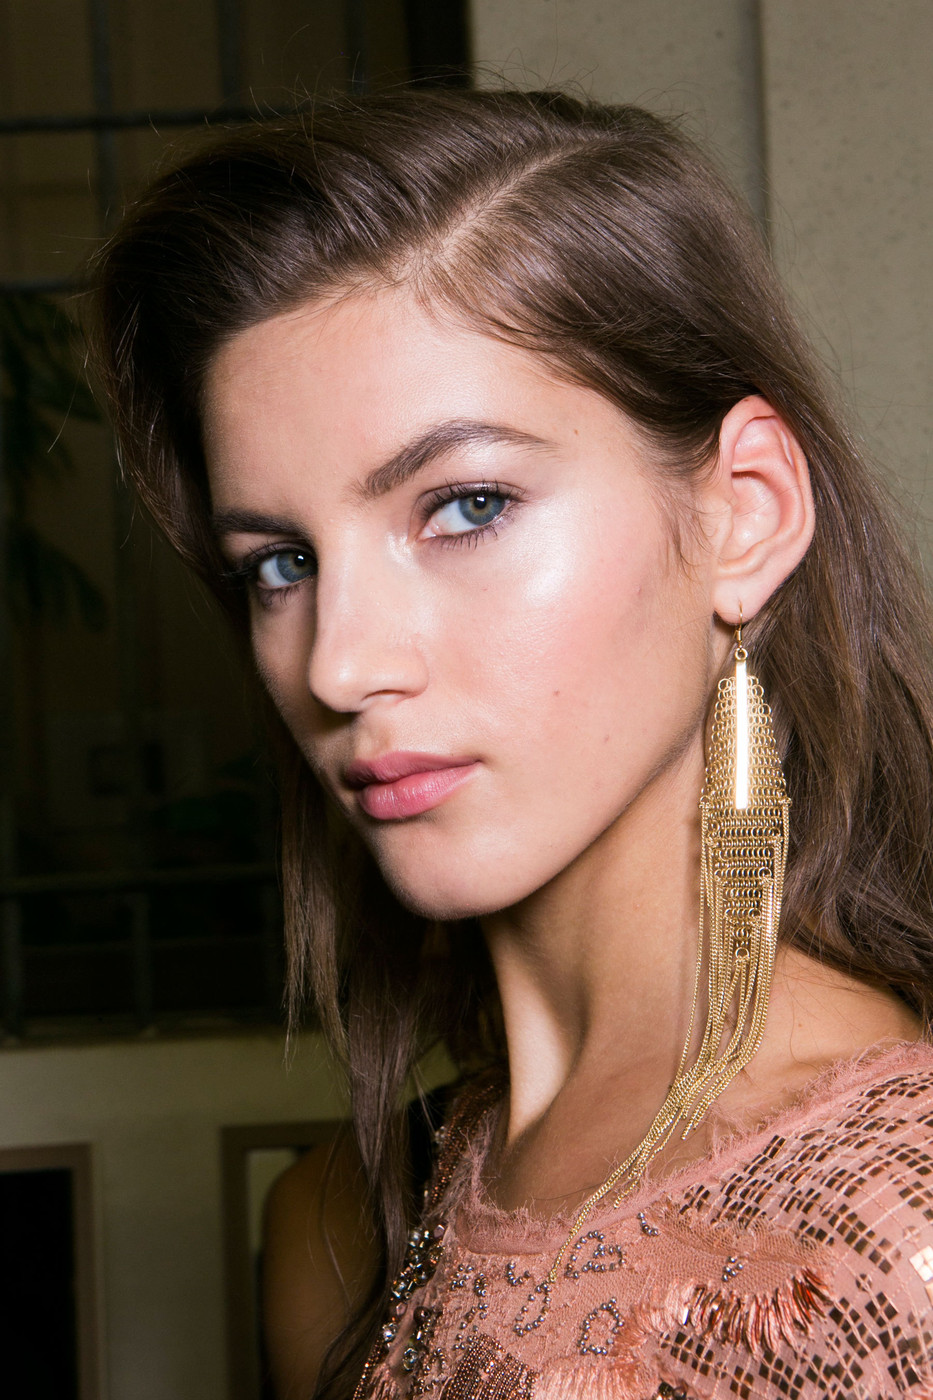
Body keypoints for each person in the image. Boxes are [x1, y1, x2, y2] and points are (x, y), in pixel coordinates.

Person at [89, 88, 933, 1400]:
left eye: (467, 505)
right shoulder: (335, 1236)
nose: (338, 664)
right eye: (281, 564)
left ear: (745, 513)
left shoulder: (885, 1236)